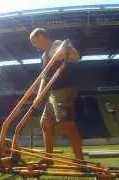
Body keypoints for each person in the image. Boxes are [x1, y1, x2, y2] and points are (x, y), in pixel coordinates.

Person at [29, 28, 84, 163]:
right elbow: (44, 77)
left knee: (67, 124)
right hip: (53, 92)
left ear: (41, 37)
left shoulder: (58, 44)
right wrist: (38, 96)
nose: (34, 46)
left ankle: (80, 160)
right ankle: (48, 158)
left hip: (64, 89)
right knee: (45, 123)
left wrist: (66, 53)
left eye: (34, 42)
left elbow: (77, 57)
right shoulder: (43, 56)